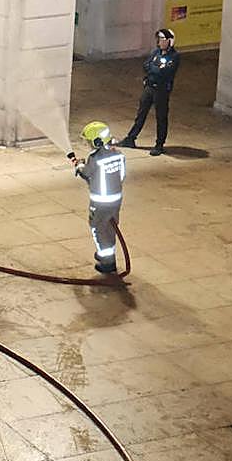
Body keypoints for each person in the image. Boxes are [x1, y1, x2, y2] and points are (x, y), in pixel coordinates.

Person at [70, 122, 126, 275]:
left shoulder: (95, 158)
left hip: (100, 202)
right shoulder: (119, 154)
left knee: (98, 229)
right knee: (110, 228)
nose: (88, 144)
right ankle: (110, 256)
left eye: (89, 141)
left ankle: (106, 261)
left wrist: (79, 165)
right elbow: (122, 176)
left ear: (97, 141)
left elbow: (87, 173)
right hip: (116, 199)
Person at [119, 27, 180, 156]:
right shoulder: (156, 52)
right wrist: (156, 68)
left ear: (169, 41)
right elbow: (146, 66)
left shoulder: (174, 57)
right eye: (159, 39)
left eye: (162, 39)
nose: (159, 42)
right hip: (149, 87)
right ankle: (131, 138)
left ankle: (159, 144)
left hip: (161, 91)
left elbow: (164, 72)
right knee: (141, 113)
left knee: (161, 117)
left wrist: (155, 68)